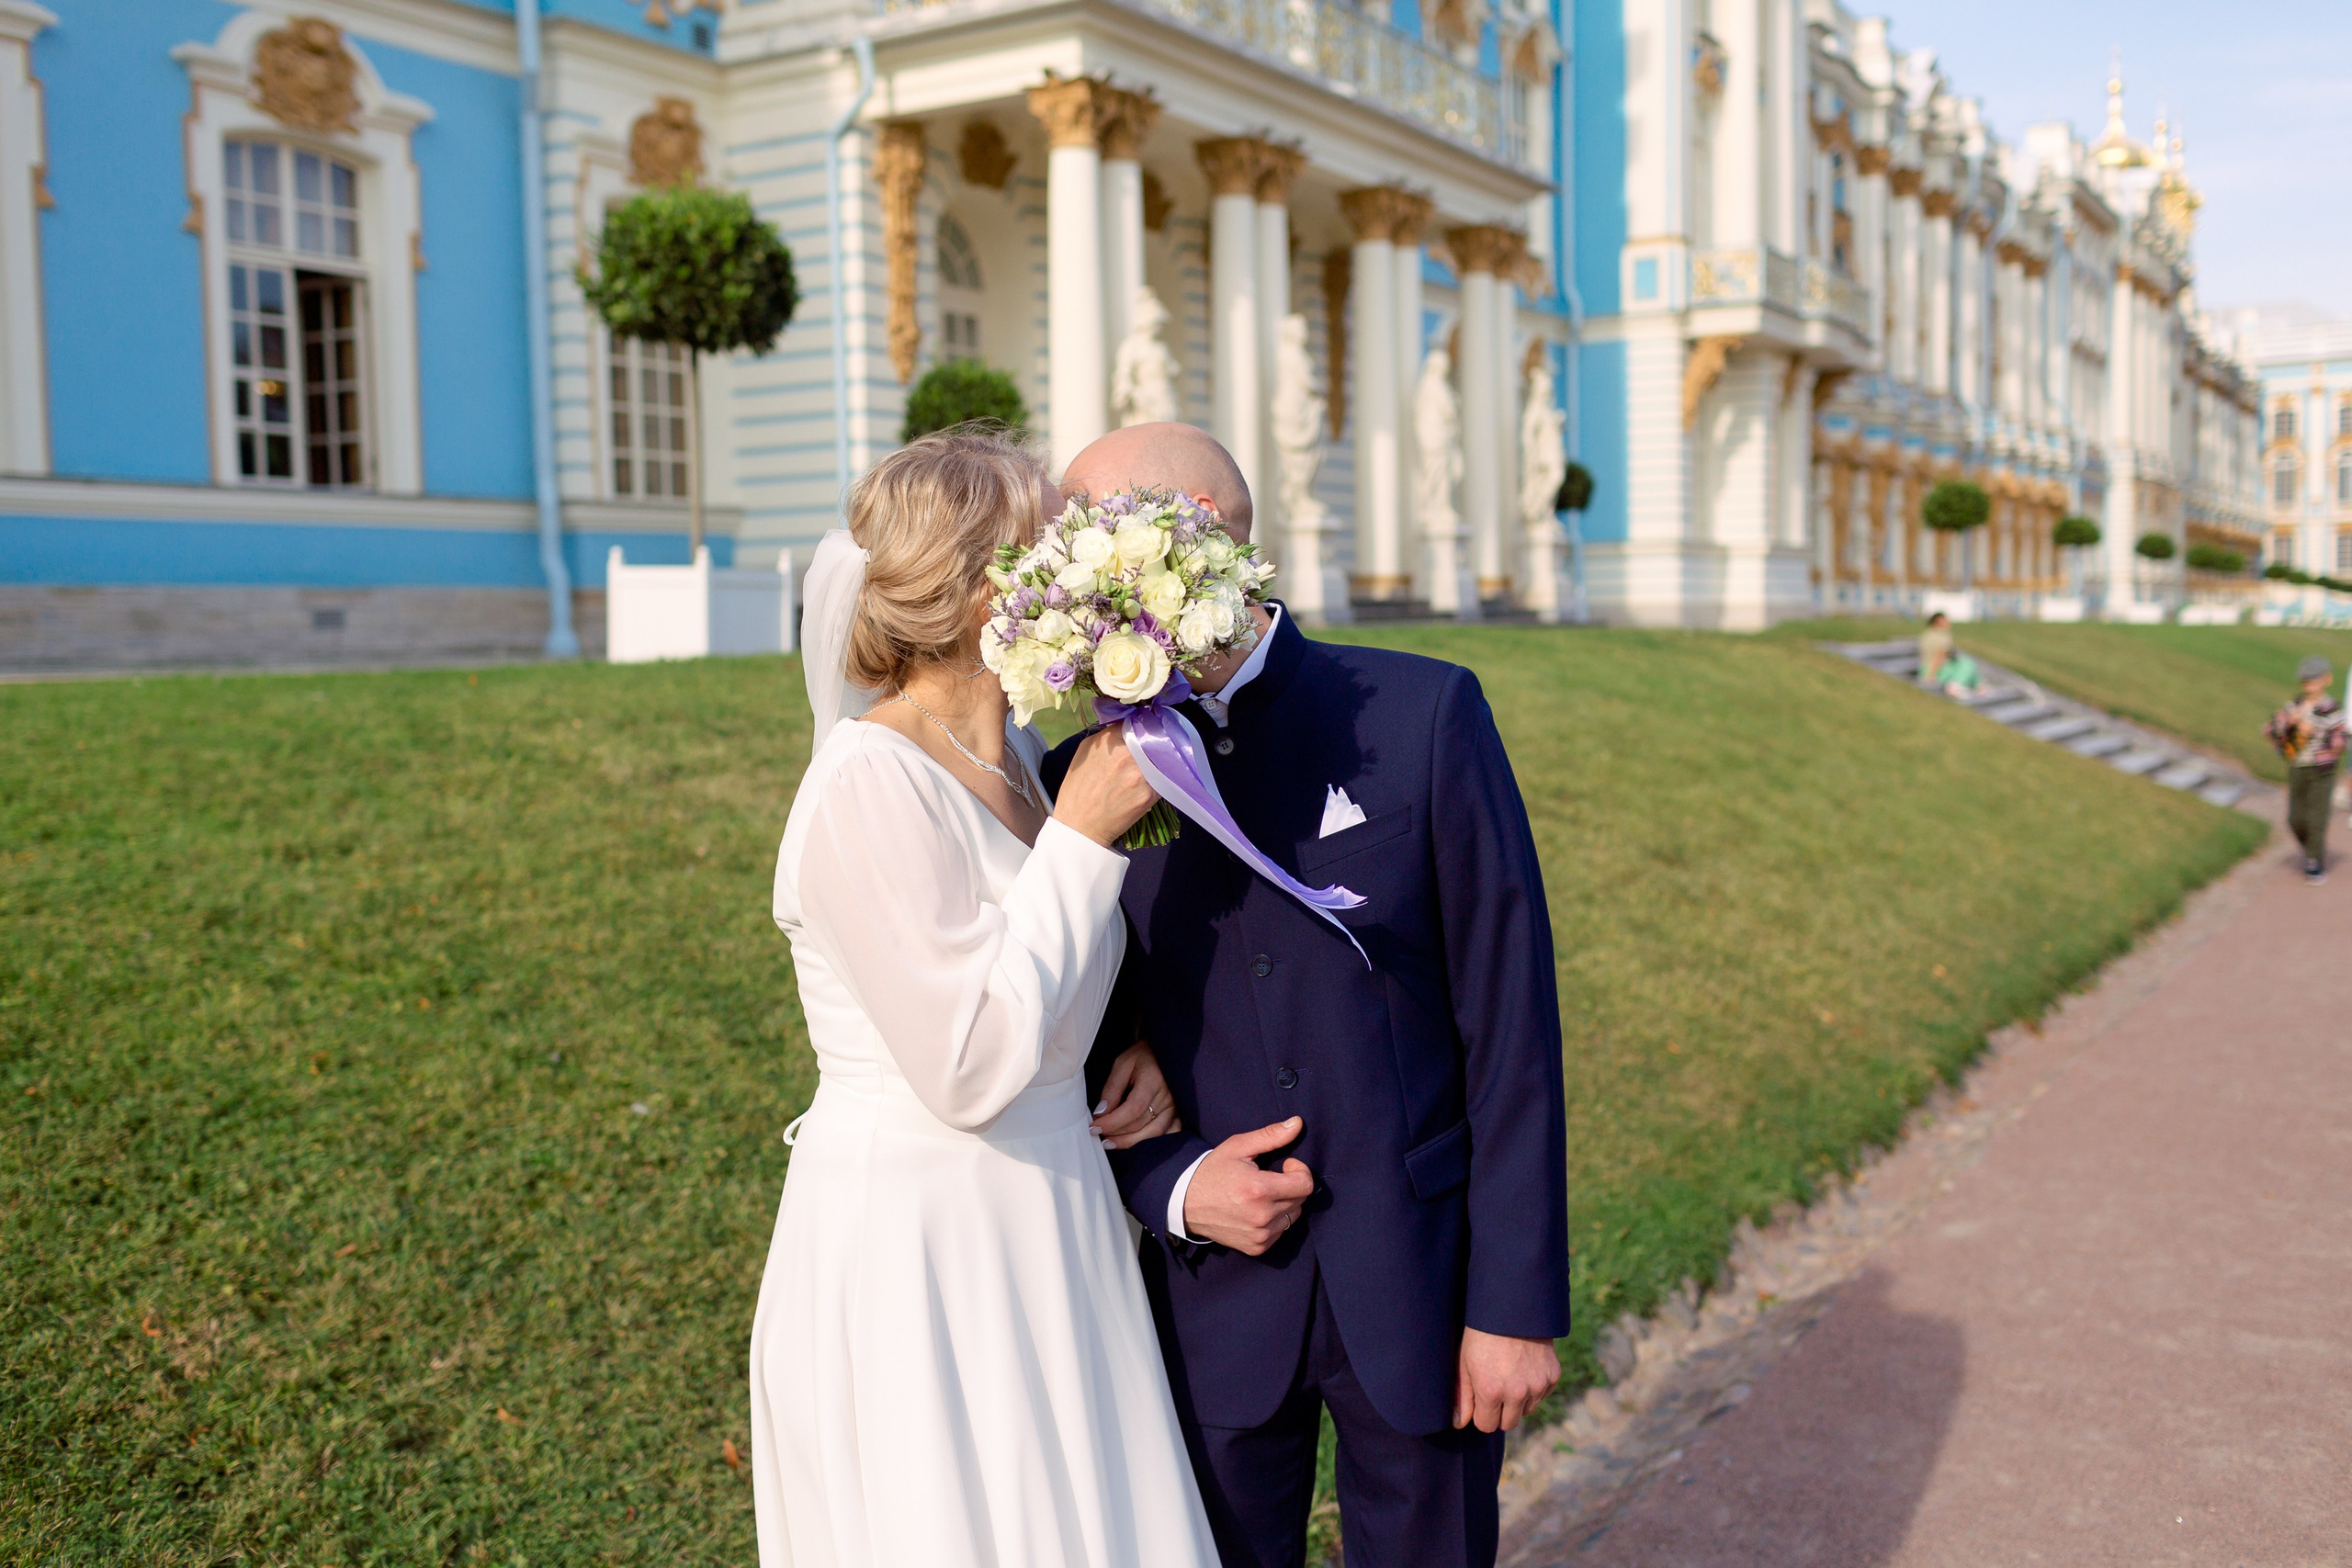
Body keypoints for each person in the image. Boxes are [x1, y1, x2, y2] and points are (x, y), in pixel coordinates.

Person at [1045, 423, 1569, 1568]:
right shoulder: (1075, 783)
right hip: (1210, 1307)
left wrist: (1514, 1305)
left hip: (1424, 1284)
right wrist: (1172, 1186)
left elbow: (1510, 1024)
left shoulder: (1424, 714)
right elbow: (1065, 1054)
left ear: (1198, 539)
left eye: (1084, 544)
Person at [749, 428, 1234, 1567]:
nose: (1085, 567)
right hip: (926, 1243)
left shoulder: (1017, 757)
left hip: (1053, 1213)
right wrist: (1081, 840)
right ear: (982, 595)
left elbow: (1046, 975)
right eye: (1054, 549)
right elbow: (966, 1066)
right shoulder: (868, 782)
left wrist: (1131, 1044)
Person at [2264, 653, 2346, 884]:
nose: (2309, 684)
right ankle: (2312, 849)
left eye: (2314, 679)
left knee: (2317, 816)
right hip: (2298, 766)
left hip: (2322, 770)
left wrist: (2316, 731)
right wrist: (2288, 724)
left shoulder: (2332, 710)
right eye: (2306, 680)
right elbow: (2269, 730)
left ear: (2327, 680)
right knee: (2295, 818)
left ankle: (2314, 862)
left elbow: (2341, 742)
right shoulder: (2294, 706)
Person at [1917, 611, 1979, 696]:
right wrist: (1931, 676)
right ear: (1937, 622)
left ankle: (1977, 685)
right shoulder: (1942, 636)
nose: (1948, 622)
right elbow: (1939, 655)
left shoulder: (1927, 634)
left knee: (1964, 663)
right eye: (1945, 620)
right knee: (1967, 664)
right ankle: (1955, 686)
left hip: (1925, 669)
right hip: (1935, 671)